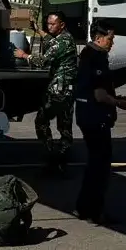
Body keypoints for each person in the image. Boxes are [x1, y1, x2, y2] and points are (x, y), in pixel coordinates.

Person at [73, 20, 126, 225]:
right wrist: (117, 102)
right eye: (110, 38)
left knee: (93, 164)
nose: (112, 43)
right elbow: (99, 94)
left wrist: (115, 97)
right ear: (99, 38)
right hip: (95, 116)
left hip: (85, 114)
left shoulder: (86, 54)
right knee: (100, 166)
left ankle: (83, 207)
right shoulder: (96, 57)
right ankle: (95, 211)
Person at [13, 10, 78, 176]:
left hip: (58, 91)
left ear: (62, 25)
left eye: (52, 24)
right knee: (65, 126)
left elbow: (42, 61)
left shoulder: (62, 42)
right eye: (48, 23)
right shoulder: (65, 38)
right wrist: (37, 30)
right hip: (68, 90)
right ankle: (62, 159)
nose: (49, 26)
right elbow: (51, 41)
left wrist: (24, 55)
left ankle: (52, 155)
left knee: (41, 121)